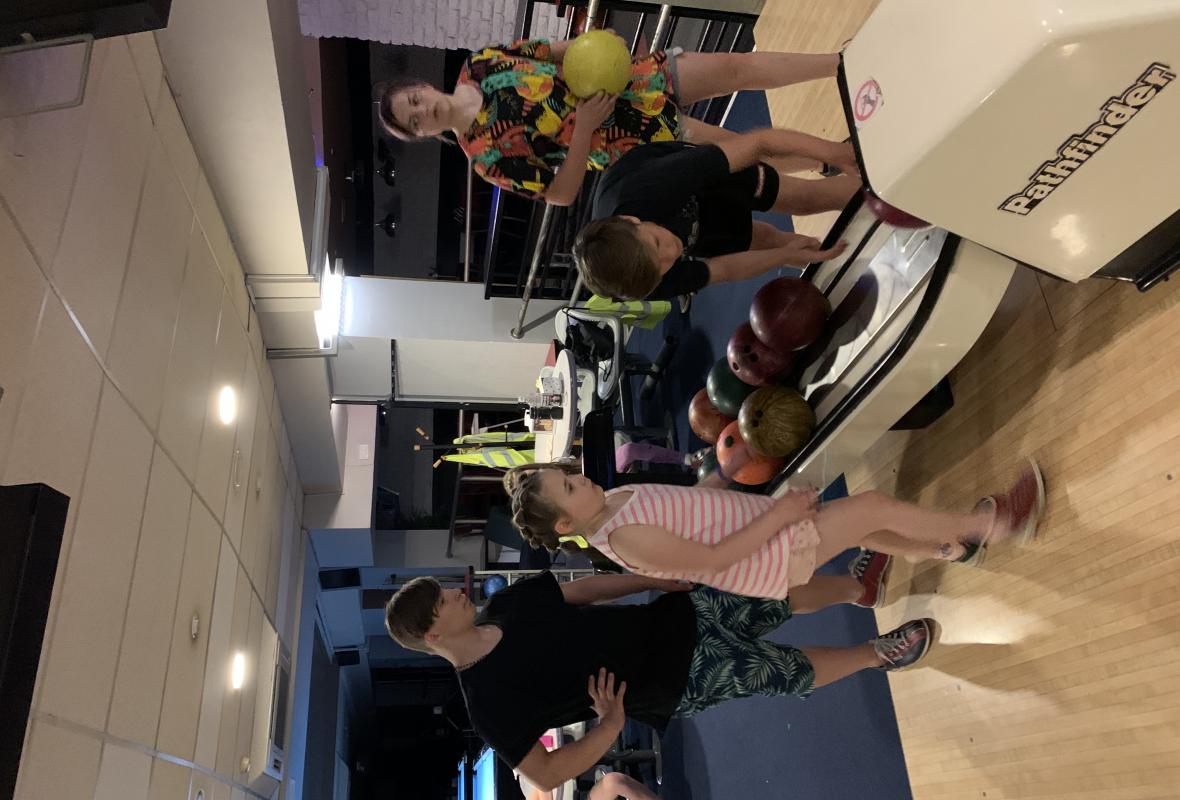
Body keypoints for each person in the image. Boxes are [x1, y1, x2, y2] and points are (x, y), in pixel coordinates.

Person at [385, 569, 936, 792]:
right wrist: (610, 728)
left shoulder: (506, 604)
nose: (456, 593)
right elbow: (546, 773)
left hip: (668, 618)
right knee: (780, 670)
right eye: (442, 601)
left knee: (776, 595)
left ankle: (859, 588)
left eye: (444, 590)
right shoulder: (486, 703)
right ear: (433, 635)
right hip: (672, 681)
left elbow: (581, 591)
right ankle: (877, 655)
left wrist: (649, 579)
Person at [376, 36, 851, 205]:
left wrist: (598, 46)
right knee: (745, 147)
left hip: (634, 80)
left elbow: (550, 51)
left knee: (736, 68)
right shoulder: (485, 159)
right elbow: (561, 194)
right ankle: (824, 161)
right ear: (421, 136)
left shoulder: (480, 62)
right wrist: (584, 127)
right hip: (630, 137)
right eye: (413, 122)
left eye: (414, 100)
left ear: (422, 85)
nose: (422, 111)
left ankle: (838, 63)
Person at [503, 459, 1046, 600]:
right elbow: (713, 562)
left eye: (570, 473)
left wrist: (723, 472)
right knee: (872, 507)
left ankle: (941, 547)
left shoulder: (615, 500)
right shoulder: (624, 539)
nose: (581, 478)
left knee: (861, 530)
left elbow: (690, 506)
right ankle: (992, 524)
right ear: (567, 523)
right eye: (570, 486)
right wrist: (781, 516)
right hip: (768, 556)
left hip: (764, 530)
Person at [573, 130, 861, 301]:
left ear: (631, 221)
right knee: (770, 242)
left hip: (701, 180)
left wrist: (834, 152)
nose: (672, 252)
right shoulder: (640, 280)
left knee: (808, 199)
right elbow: (723, 270)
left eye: (657, 243)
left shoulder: (651, 187)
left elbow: (759, 143)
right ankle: (852, 256)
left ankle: (872, 184)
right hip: (697, 227)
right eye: (661, 267)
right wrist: (784, 256)